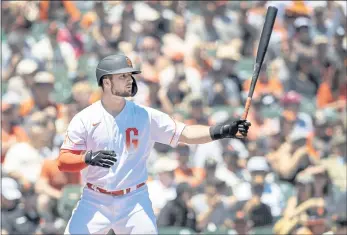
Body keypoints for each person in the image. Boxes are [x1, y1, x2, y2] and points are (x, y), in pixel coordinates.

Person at [57, 54, 251, 234]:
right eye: (123, 76)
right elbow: (63, 161)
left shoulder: (144, 115)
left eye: (130, 76)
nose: (130, 80)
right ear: (106, 82)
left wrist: (223, 130)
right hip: (95, 199)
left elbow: (186, 133)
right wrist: (87, 158)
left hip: (133, 201)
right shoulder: (85, 118)